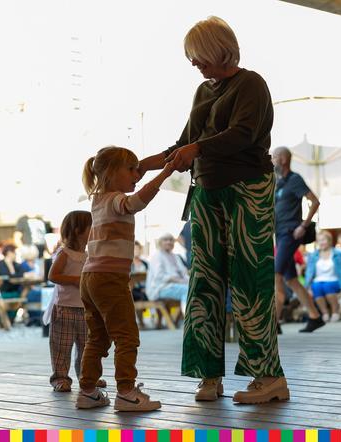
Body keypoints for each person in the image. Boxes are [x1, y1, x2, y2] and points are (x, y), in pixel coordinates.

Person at [138, 16, 289, 404]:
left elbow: (243, 134)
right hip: (205, 191)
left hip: (247, 189)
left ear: (218, 48)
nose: (193, 64)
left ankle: (269, 377)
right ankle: (208, 375)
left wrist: (197, 149)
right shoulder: (202, 91)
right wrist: (144, 164)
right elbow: (185, 142)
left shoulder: (251, 84)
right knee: (202, 282)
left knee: (249, 281)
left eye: (197, 55)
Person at [76, 145, 175, 411]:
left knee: (97, 337)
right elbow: (136, 202)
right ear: (110, 173)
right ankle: (126, 392)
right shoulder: (114, 200)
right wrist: (165, 173)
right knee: (127, 336)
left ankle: (87, 391)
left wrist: (143, 166)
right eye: (131, 169)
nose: (137, 174)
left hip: (90, 277)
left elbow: (130, 184)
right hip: (109, 277)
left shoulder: (97, 199)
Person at [46, 210, 106, 393]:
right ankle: (60, 378)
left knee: (87, 346)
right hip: (64, 308)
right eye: (91, 227)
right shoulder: (65, 253)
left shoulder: (89, 255)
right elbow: (53, 275)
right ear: (78, 230)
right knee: (61, 346)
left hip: (85, 308)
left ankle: (87, 376)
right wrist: (75, 280)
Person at [272, 146, 324, 333]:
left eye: (275, 157)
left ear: (284, 159)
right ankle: (315, 316)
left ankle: (274, 322)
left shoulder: (294, 180)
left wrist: (304, 225)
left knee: (275, 275)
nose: (272, 160)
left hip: (290, 233)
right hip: (279, 234)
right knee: (291, 280)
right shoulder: (279, 182)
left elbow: (315, 201)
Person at [305, 231, 341, 323]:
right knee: (316, 287)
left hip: (334, 280)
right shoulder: (313, 255)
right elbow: (309, 272)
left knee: (327, 286)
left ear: (329, 241)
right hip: (318, 280)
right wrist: (307, 286)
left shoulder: (338, 254)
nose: (321, 242)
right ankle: (325, 313)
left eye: (323, 240)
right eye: (319, 240)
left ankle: (335, 312)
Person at [146, 233, 189, 311]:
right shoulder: (157, 256)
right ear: (160, 242)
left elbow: (183, 273)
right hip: (160, 288)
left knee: (194, 288)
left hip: (175, 285)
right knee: (188, 290)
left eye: (171, 240)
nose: (169, 242)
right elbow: (159, 276)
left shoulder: (175, 256)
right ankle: (188, 317)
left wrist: (190, 281)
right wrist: (176, 280)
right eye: (165, 240)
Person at [0, 244, 24, 324]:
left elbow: (20, 275)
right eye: (14, 253)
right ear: (9, 253)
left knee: (20, 295)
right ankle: (2, 320)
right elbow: (8, 278)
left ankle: (10, 320)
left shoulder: (16, 265)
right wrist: (9, 265)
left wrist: (10, 265)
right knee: (9, 296)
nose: (16, 255)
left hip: (14, 292)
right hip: (0, 292)